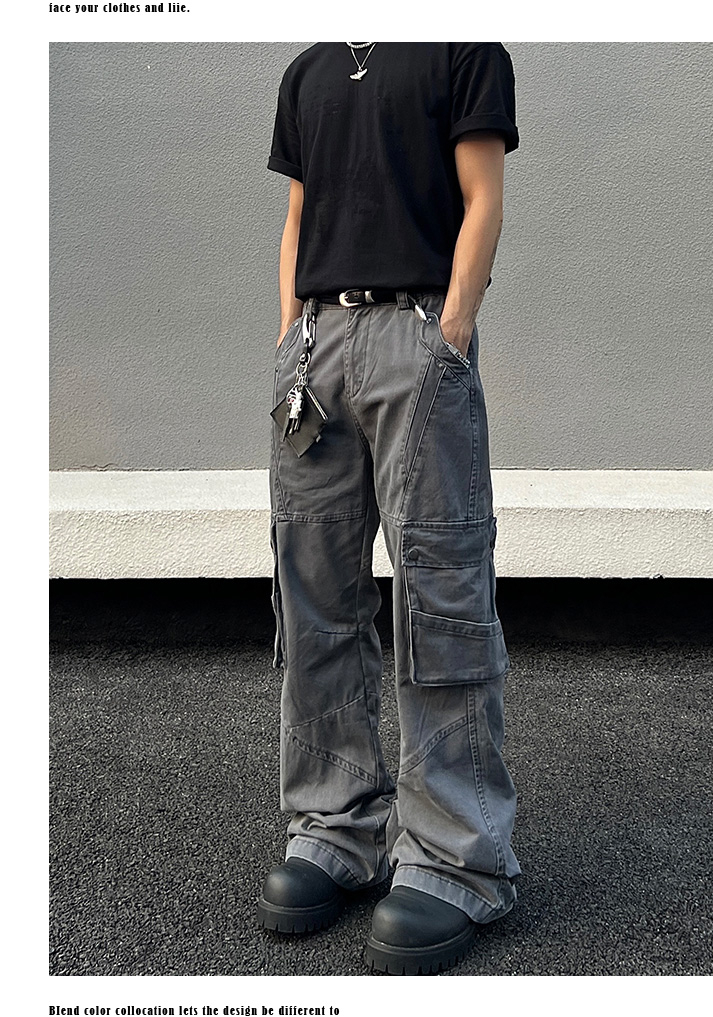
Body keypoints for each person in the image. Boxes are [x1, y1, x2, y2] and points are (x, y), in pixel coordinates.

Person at [258, 42, 521, 976]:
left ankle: (457, 854)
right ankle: (336, 823)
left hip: (417, 334)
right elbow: (299, 216)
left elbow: (484, 197)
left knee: (439, 592)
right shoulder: (309, 71)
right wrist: (289, 337)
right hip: (316, 349)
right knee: (315, 593)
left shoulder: (462, 49)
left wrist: (450, 331)